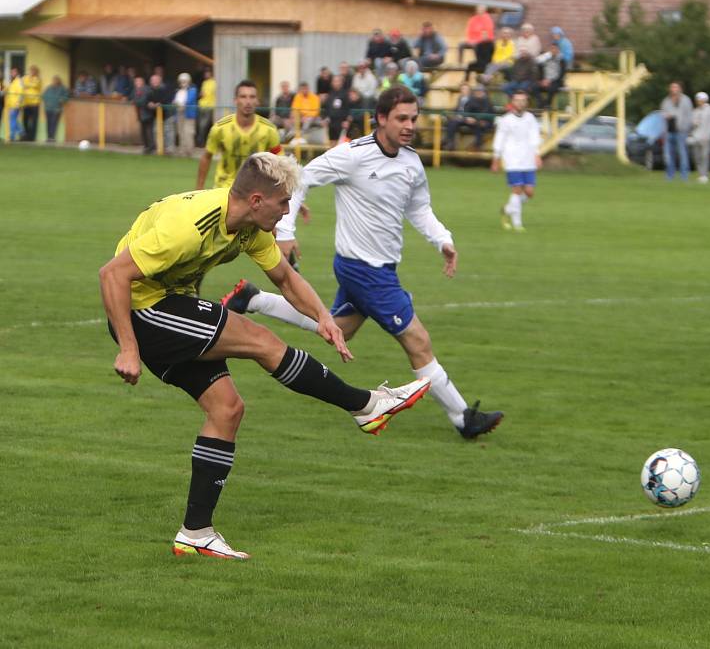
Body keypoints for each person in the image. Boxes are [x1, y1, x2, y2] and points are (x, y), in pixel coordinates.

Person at [99, 152, 431, 560]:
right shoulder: (187, 227)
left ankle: (196, 532)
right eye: (283, 202)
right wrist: (128, 350)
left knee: (227, 409)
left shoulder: (249, 229)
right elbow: (112, 273)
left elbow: (287, 279)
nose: (288, 210)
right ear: (257, 200)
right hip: (143, 310)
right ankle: (365, 406)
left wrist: (324, 318)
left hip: (169, 304)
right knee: (259, 339)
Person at [223, 86, 504, 439]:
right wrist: (286, 231)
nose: (409, 125)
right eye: (402, 118)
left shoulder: (411, 162)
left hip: (382, 267)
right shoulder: (353, 155)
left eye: (414, 118)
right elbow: (303, 178)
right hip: (363, 270)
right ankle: (464, 418)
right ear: (381, 118)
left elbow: (418, 208)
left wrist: (443, 239)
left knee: (341, 327)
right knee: (418, 340)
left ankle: (253, 299)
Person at [197, 80, 282, 190]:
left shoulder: (269, 129)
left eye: (252, 97)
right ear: (235, 100)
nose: (248, 101)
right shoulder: (220, 128)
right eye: (243, 97)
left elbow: (280, 161)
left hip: (256, 191)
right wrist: (199, 189)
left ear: (257, 101)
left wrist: (286, 193)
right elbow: (206, 157)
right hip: (224, 189)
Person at [492, 90, 542, 232]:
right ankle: (517, 224)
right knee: (517, 190)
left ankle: (508, 209)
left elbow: (534, 137)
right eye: (517, 100)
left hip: (528, 159)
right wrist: (496, 158)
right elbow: (499, 139)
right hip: (512, 160)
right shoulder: (506, 120)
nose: (520, 103)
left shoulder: (530, 118)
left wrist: (537, 155)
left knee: (529, 192)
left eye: (523, 100)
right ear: (512, 102)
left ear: (526, 102)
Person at [660, 82, 693, 181]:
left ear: (680, 89)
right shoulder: (666, 101)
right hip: (669, 131)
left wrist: (686, 128)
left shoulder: (686, 100)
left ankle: (684, 176)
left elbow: (689, 116)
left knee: (682, 153)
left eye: (676, 87)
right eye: (672, 87)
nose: (674, 89)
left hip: (681, 131)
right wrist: (666, 116)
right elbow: (662, 114)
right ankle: (670, 175)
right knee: (669, 155)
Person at [445, 83, 493, 151]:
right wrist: (467, 118)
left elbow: (486, 113)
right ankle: (450, 143)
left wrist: (475, 119)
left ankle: (477, 145)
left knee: (479, 125)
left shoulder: (487, 101)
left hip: (484, 121)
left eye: (480, 91)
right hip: (470, 120)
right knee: (453, 122)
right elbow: (467, 110)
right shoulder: (472, 100)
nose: (478, 93)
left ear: (483, 92)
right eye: (477, 91)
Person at [689, 91, 710, 184]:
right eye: (697, 100)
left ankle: (705, 175)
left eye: (700, 100)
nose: (699, 101)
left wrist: (709, 135)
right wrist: (694, 124)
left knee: (705, 156)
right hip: (696, 137)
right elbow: (692, 124)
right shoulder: (695, 111)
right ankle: (701, 174)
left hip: (706, 137)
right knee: (697, 157)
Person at [532, 43, 567, 109]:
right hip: (544, 80)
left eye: (555, 49)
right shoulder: (545, 58)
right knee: (534, 87)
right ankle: (541, 103)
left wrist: (550, 81)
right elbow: (539, 69)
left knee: (552, 88)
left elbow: (562, 75)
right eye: (552, 49)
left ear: (558, 50)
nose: (553, 50)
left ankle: (547, 104)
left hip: (556, 81)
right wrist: (542, 80)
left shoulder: (562, 60)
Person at [145, 73, 173, 151]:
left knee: (167, 132)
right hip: (156, 115)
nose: (154, 82)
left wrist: (160, 104)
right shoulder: (149, 91)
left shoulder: (165, 89)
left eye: (156, 80)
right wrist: (149, 103)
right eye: (152, 80)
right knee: (156, 131)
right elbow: (147, 100)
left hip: (167, 115)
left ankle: (169, 150)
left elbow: (168, 100)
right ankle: (159, 149)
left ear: (160, 81)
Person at [322, 74, 352, 145]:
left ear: (341, 82)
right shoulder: (330, 94)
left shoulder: (345, 94)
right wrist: (325, 118)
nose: (336, 83)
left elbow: (348, 109)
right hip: (331, 122)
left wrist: (347, 121)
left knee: (341, 144)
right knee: (332, 143)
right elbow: (327, 108)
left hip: (341, 123)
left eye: (338, 81)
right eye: (334, 81)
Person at [174, 73, 198, 157]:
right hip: (179, 113)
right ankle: (182, 150)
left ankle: (189, 151)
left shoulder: (193, 90)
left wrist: (181, 104)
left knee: (188, 132)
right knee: (181, 132)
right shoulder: (178, 91)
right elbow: (175, 101)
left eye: (184, 81)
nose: (182, 83)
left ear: (188, 81)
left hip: (189, 114)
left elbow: (189, 100)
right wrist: (175, 103)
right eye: (181, 81)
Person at [42, 75, 70, 142]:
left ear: (59, 81)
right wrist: (46, 102)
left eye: (56, 80)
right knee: (48, 123)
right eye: (53, 80)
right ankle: (48, 137)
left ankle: (52, 137)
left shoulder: (63, 88)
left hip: (57, 109)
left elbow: (66, 97)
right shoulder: (48, 88)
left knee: (54, 123)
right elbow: (43, 96)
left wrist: (61, 100)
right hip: (48, 108)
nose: (54, 81)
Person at [132, 76, 155, 154]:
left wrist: (138, 102)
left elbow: (142, 101)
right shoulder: (135, 90)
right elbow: (134, 99)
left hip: (148, 114)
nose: (137, 83)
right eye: (136, 81)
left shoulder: (146, 89)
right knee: (143, 131)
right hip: (141, 114)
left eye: (139, 81)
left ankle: (151, 147)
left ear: (142, 82)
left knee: (149, 131)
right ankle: (146, 147)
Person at [22, 65, 42, 141]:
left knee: (34, 121)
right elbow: (22, 84)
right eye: (31, 70)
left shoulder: (38, 79)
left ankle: (32, 137)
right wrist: (28, 83)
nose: (32, 72)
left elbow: (35, 85)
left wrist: (28, 84)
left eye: (34, 71)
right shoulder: (25, 77)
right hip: (26, 102)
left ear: (36, 72)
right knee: (25, 120)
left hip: (35, 103)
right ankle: (26, 135)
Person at [197, 67, 216, 146]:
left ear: (210, 73)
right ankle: (201, 142)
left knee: (204, 125)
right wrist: (200, 94)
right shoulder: (204, 82)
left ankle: (202, 142)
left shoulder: (214, 82)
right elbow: (201, 94)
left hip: (210, 106)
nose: (206, 74)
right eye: (205, 73)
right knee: (201, 125)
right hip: (201, 106)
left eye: (207, 73)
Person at [6, 67, 24, 141]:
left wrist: (18, 103)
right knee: (13, 120)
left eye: (13, 72)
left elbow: (21, 93)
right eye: (11, 72)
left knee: (12, 120)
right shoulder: (12, 82)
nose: (12, 73)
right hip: (11, 105)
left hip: (16, 105)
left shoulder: (19, 81)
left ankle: (13, 136)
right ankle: (21, 132)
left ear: (17, 73)